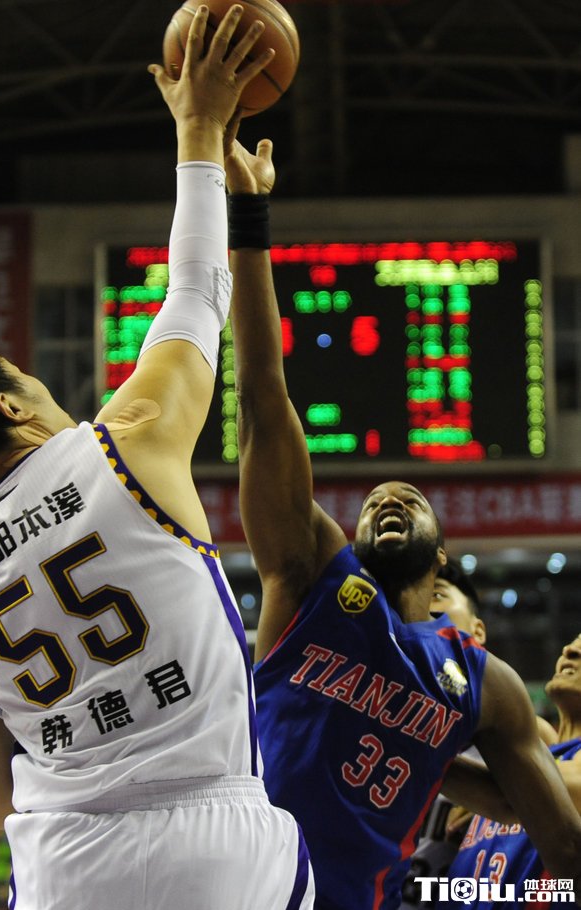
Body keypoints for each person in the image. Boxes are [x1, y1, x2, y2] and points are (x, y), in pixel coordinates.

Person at [0, 8, 313, 910]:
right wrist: (199, 128)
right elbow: (195, 290)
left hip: (65, 870)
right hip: (216, 849)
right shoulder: (121, 447)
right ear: (12, 407)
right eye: (28, 378)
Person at [222, 127, 581, 910]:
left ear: (441, 555)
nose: (389, 499)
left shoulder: (483, 684)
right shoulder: (306, 581)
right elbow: (261, 398)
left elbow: (561, 844)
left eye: (410, 500)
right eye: (373, 502)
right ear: (345, 541)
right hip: (241, 889)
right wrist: (247, 216)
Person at [401, 564, 558, 909]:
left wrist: (509, 812)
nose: (424, 606)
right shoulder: (374, 711)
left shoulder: (522, 732)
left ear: (478, 629)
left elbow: (559, 834)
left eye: (437, 594)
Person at [433, 633, 581, 909]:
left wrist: (411, 743)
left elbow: (514, 793)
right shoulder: (536, 758)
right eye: (571, 644)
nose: (569, 650)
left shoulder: (516, 778)